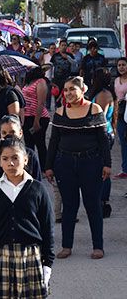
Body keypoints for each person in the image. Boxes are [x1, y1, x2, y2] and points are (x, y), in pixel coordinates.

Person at [44, 76, 111, 260]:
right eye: (65, 90)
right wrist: (48, 166)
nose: (68, 93)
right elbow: (54, 141)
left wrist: (107, 163)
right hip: (64, 164)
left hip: (91, 163)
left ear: (82, 90)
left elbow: (103, 140)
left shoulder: (94, 109)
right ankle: (67, 246)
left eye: (72, 89)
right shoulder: (59, 112)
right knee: (69, 206)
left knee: (93, 205)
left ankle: (98, 246)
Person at [0, 138, 54, 299]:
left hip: (31, 255)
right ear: (0, 162)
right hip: (2, 254)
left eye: (15, 158)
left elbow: (48, 227)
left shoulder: (37, 188)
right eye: (5, 159)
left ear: (26, 159)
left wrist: (48, 263)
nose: (11, 163)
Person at [0, 114, 43, 184]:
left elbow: (38, 185)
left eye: (12, 132)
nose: (8, 136)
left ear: (20, 133)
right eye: (4, 133)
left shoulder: (30, 155)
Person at [89, 68, 116, 218]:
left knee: (103, 169)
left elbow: (101, 118)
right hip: (101, 134)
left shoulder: (104, 95)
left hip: (103, 135)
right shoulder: (100, 93)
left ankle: (103, 201)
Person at [21, 67, 50, 167]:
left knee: (40, 143)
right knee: (28, 144)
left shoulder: (41, 82)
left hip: (39, 117)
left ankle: (44, 167)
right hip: (27, 116)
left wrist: (36, 121)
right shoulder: (28, 82)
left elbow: (41, 103)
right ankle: (31, 166)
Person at [113, 57, 127, 179]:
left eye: (123, 65)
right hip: (120, 114)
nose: (121, 67)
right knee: (123, 142)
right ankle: (125, 169)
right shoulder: (116, 80)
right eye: (119, 65)